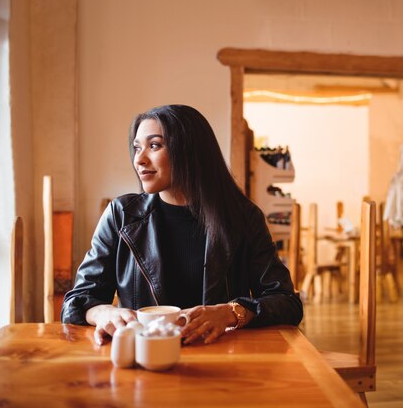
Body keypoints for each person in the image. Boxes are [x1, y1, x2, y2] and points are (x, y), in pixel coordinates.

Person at [61, 104, 303, 345]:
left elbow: (287, 303)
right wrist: (105, 313)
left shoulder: (243, 218)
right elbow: (77, 301)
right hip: (144, 360)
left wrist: (230, 312)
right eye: (136, 148)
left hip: (222, 362)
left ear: (189, 150)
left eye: (154, 145)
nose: (139, 159)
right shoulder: (121, 215)